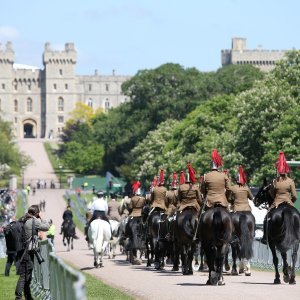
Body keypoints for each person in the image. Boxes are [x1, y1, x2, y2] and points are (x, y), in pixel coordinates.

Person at [261, 151, 297, 244]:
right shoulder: (290, 181)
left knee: (266, 218)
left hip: (276, 202)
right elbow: (294, 196)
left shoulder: (275, 181)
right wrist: (291, 202)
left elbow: (272, 194)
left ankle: (265, 237)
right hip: (288, 202)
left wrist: (276, 198)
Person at [15, 205, 50, 300]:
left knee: (27, 275)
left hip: (22, 250)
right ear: (37, 213)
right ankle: (18, 296)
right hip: (27, 252)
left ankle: (28, 296)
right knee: (25, 275)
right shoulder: (33, 221)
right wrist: (43, 218)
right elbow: (46, 227)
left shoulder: (23, 218)